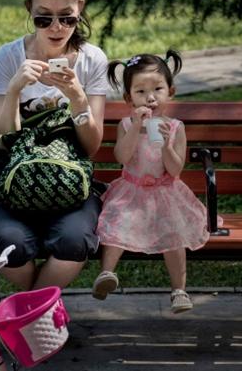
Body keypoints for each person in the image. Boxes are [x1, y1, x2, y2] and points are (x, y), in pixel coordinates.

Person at [0, 0, 109, 291]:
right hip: (13, 181)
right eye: (44, 19)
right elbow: (2, 140)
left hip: (71, 185)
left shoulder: (91, 60)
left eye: (67, 18)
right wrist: (14, 90)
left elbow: (91, 146)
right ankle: (40, 319)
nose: (56, 28)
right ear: (29, 10)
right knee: (11, 247)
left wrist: (78, 97)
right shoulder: (8, 57)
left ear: (80, 8)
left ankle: (28, 319)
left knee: (74, 241)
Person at [92, 50, 221, 313]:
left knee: (175, 232)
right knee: (116, 222)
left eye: (157, 89)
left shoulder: (176, 127)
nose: (150, 98)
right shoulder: (126, 124)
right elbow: (123, 157)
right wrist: (135, 129)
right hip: (131, 191)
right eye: (140, 92)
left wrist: (165, 146)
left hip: (165, 193)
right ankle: (106, 274)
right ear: (129, 97)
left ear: (170, 91)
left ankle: (179, 290)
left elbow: (175, 170)